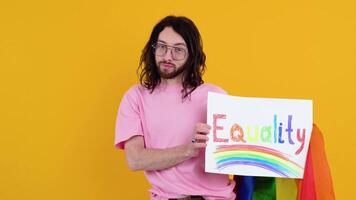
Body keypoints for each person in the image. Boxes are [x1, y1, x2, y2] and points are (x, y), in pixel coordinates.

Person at [115, 15, 236, 200]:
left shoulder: (216, 96)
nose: (167, 56)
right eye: (162, 47)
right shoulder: (136, 97)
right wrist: (188, 150)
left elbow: (242, 151)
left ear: (192, 54)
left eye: (178, 50)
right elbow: (135, 159)